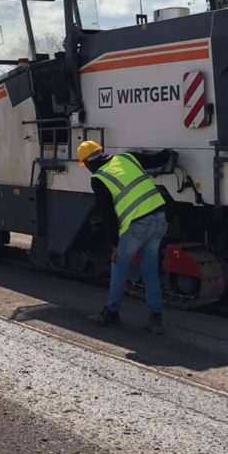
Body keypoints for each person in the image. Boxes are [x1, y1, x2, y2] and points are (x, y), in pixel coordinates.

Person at [77, 140, 170, 334]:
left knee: (119, 265)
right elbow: (160, 159)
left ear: (86, 163)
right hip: (160, 217)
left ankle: (111, 313)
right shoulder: (127, 158)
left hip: (138, 224)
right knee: (149, 268)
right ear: (101, 152)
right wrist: (167, 152)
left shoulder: (98, 178)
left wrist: (115, 244)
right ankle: (156, 317)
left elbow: (108, 214)